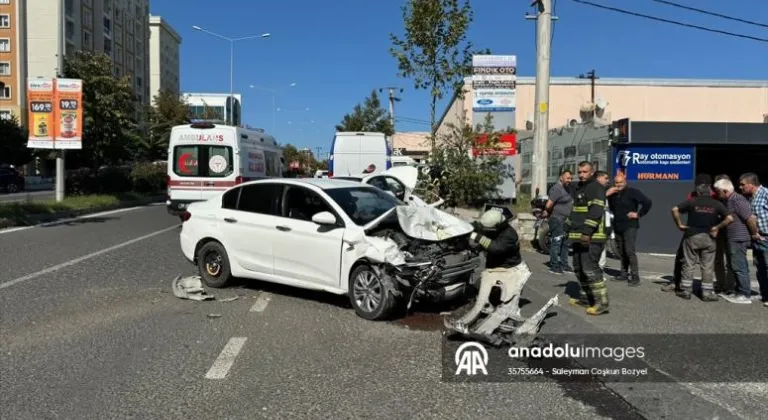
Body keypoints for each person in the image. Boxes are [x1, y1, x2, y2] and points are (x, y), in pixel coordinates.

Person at [448, 207, 527, 331]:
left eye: (487, 229)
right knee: (477, 290)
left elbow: (495, 247)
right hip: (493, 267)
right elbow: (476, 227)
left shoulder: (509, 235)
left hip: (508, 270)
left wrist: (476, 237)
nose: (484, 230)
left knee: (499, 303)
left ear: (497, 226)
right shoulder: (492, 225)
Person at [670, 184, 733, 301]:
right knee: (708, 265)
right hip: (709, 237)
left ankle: (686, 291)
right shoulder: (716, 204)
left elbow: (674, 209)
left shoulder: (691, 201)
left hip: (692, 236)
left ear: (698, 192)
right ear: (709, 192)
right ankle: (707, 293)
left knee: (688, 263)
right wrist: (717, 227)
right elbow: (730, 218)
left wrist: (679, 224)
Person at [565, 162, 610, 315]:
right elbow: (576, 211)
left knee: (590, 269)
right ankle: (586, 298)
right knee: (578, 268)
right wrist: (566, 227)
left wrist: (587, 232)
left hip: (592, 237)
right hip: (578, 236)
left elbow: (596, 211)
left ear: (592, 172)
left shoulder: (595, 188)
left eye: (585, 172)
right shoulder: (580, 188)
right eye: (580, 172)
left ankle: (602, 303)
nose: (581, 174)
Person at [662, 173, 717, 292]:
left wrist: (717, 228)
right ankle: (678, 282)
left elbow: (676, 209)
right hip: (695, 231)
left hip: (705, 232)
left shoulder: (715, 196)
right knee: (682, 258)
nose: (698, 188)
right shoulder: (693, 195)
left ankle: (696, 287)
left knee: (698, 262)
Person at [713, 178, 758, 304]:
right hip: (733, 238)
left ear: (725, 191)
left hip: (738, 238)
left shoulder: (737, 199)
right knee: (735, 266)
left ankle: (744, 294)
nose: (717, 194)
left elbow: (750, 218)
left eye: (718, 191)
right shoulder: (730, 200)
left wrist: (754, 233)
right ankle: (739, 290)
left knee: (739, 267)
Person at [606, 173, 652, 286]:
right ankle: (623, 273)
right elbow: (610, 207)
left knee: (629, 251)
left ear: (625, 182)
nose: (618, 185)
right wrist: (607, 195)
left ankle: (635, 277)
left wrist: (638, 214)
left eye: (620, 182)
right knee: (621, 251)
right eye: (616, 182)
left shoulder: (633, 192)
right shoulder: (612, 194)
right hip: (618, 225)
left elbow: (647, 202)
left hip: (630, 225)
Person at [738, 172, 768, 307]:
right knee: (760, 267)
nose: (740, 187)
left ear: (751, 184)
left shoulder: (766, 193)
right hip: (757, 238)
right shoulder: (751, 198)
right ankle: (765, 295)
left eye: (743, 184)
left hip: (766, 237)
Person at [543, 170, 574, 274]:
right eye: (568, 178)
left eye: (571, 178)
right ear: (561, 178)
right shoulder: (557, 189)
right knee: (556, 242)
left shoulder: (567, 188)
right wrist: (548, 212)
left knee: (566, 243)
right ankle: (554, 265)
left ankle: (564, 265)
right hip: (557, 219)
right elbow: (548, 205)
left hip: (566, 220)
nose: (570, 180)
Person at [594, 171, 611, 279]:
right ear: (598, 178)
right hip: (595, 227)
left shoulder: (603, 190)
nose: (608, 180)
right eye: (606, 178)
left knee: (602, 248)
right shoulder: (594, 190)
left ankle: (599, 270)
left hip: (604, 225)